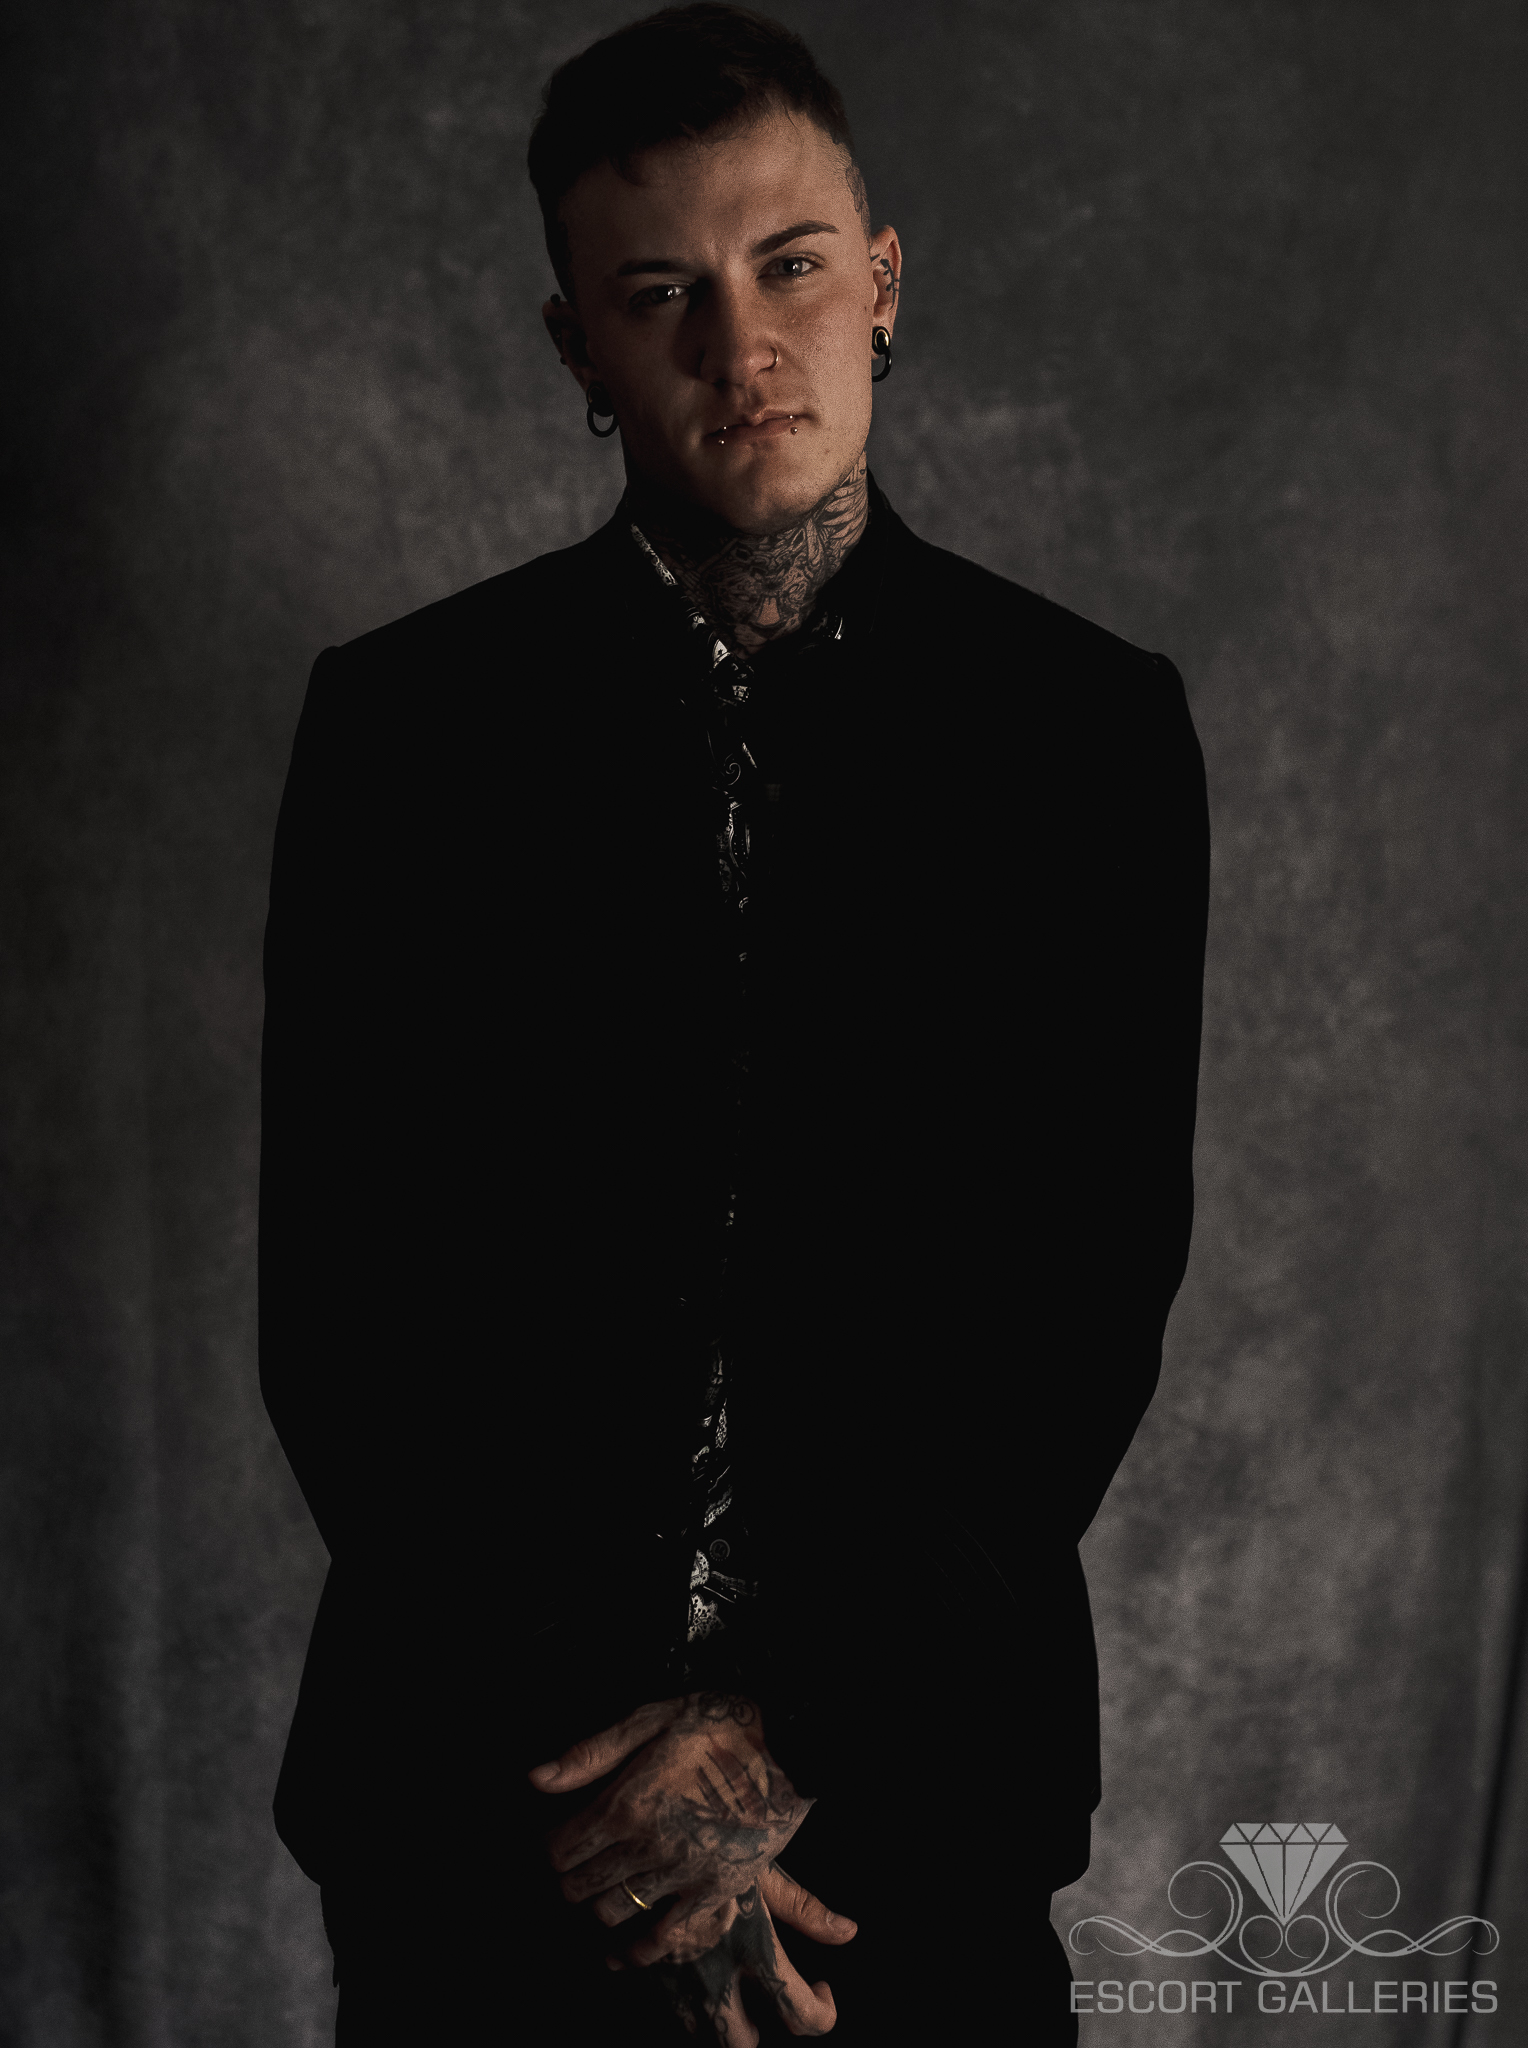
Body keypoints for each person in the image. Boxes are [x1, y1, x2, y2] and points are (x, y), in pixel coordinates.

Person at [258, 4, 1210, 2040]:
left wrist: (780, 1740)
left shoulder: (1086, 736)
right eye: (659, 294)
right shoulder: (405, 731)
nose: (740, 342)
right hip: (489, 1826)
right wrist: (625, 1799)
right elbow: (348, 1312)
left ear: (883, 280)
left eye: (789, 266)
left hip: (913, 1825)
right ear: (577, 351)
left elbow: (1077, 1306)